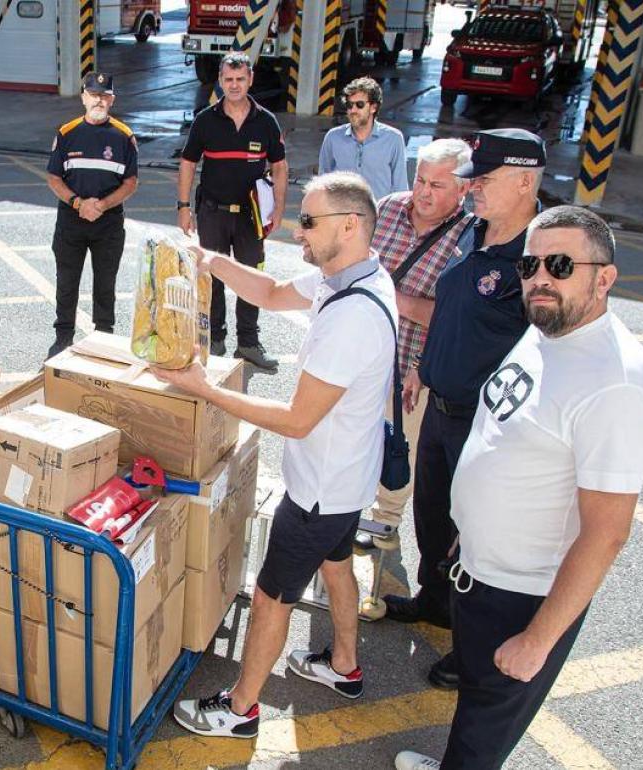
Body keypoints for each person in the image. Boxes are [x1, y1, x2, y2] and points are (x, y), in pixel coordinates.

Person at [394, 207, 643, 770]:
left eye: (560, 264)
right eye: (530, 263)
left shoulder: (615, 382)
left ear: (605, 278)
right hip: (478, 569)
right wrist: (465, 532)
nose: (540, 277)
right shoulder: (545, 330)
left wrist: (538, 640)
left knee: (482, 732)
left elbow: (607, 534)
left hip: (522, 597)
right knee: (473, 696)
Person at [165, 173, 395, 737]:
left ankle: (241, 708)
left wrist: (206, 391)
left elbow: (297, 419)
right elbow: (267, 294)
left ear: (351, 225)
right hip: (346, 480)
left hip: (321, 489)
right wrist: (209, 259)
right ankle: (344, 666)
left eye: (310, 222)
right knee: (337, 567)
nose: (299, 232)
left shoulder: (352, 316)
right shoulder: (345, 278)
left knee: (272, 595)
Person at [393, 129, 544, 683]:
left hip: (489, 425)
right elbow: (453, 309)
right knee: (432, 518)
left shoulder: (541, 256)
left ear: (526, 182)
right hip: (440, 405)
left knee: (477, 541)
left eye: (485, 179)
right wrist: (422, 366)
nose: (473, 188)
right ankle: (434, 601)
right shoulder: (473, 231)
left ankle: (473, 649)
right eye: (472, 178)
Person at [364, 139, 474, 537]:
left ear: (463, 189)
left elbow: (452, 318)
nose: (423, 193)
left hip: (412, 369)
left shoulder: (470, 238)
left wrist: (394, 300)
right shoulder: (388, 208)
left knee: (398, 449)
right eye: (420, 180)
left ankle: (384, 526)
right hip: (362, 353)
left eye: (437, 185)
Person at [177, 51, 287, 371]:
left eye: (240, 79)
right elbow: (187, 163)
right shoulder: (205, 120)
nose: (234, 85)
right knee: (212, 277)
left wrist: (279, 209)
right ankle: (215, 340)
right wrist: (184, 207)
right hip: (212, 212)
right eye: (228, 79)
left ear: (250, 79)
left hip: (251, 217)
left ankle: (249, 343)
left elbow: (279, 167)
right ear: (221, 81)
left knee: (251, 279)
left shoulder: (266, 121)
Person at [45, 71, 139, 358]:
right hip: (71, 221)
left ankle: (104, 337)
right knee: (66, 281)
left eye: (104, 95)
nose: (99, 100)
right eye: (93, 95)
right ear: (84, 97)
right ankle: (63, 337)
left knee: (105, 283)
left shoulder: (124, 137)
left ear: (112, 100)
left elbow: (131, 182)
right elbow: (53, 178)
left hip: (108, 222)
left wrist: (102, 205)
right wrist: (78, 203)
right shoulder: (67, 133)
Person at [318, 77, 409, 201]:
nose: (353, 110)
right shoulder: (333, 137)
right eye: (349, 105)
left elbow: (401, 188)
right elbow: (322, 182)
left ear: (373, 107)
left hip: (378, 215)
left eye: (359, 105)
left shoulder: (393, 139)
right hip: (342, 215)